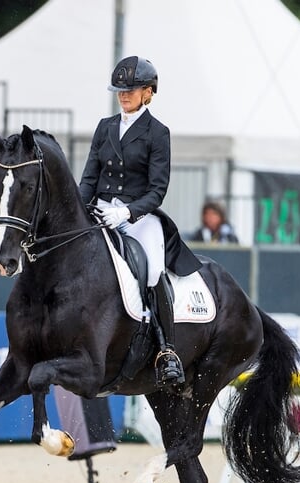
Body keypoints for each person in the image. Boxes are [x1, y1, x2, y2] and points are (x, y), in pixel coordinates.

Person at [78, 56, 201, 387]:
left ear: (148, 92)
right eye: (120, 90)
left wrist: (127, 212)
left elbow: (157, 189)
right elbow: (90, 176)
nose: (123, 95)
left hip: (138, 217)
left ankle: (166, 350)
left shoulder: (158, 133)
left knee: (153, 269)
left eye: (130, 90)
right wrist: (81, 207)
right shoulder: (105, 127)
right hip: (100, 210)